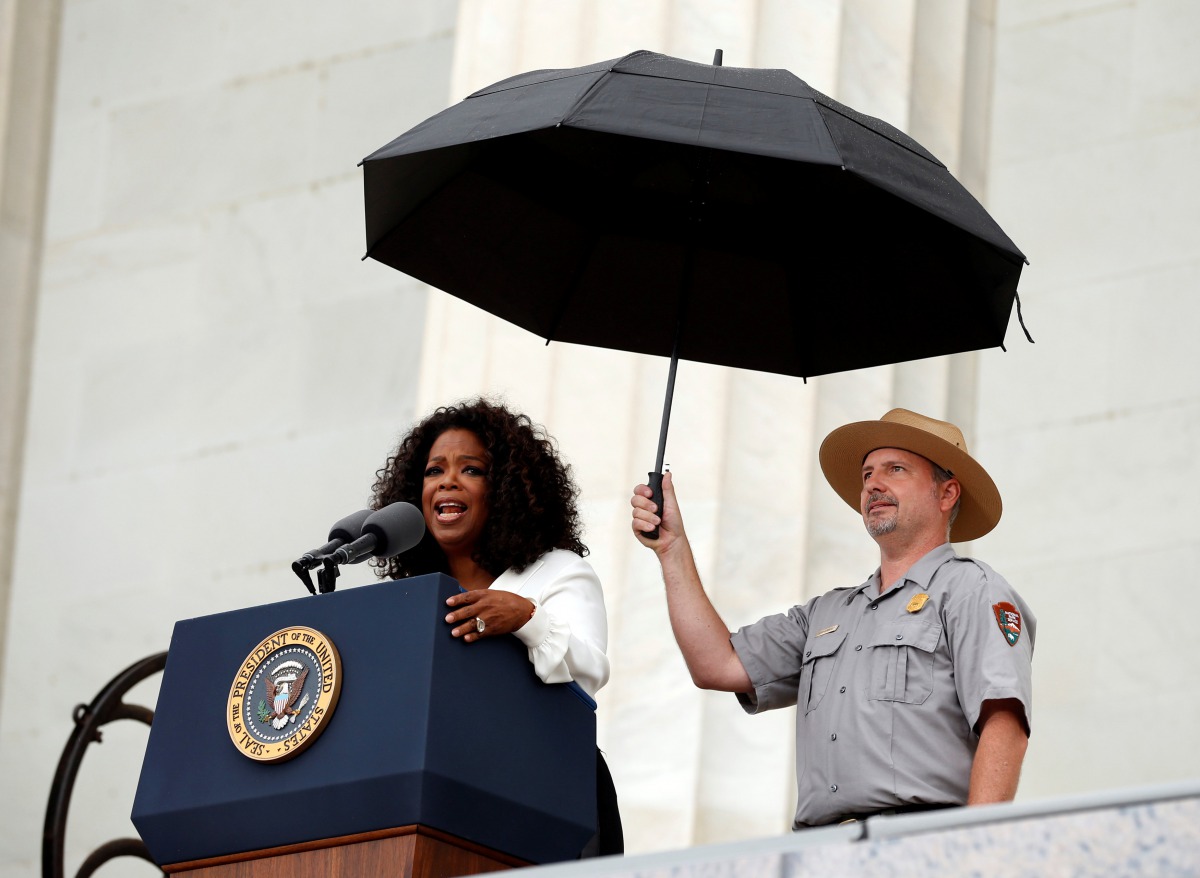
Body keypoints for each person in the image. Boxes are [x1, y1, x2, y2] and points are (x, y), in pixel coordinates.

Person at [630, 408, 1034, 829]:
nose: (873, 484)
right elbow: (716, 664)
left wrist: (975, 849)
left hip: (918, 843)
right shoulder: (826, 612)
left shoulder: (971, 589)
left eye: (895, 470)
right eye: (866, 475)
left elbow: (1004, 725)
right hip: (818, 850)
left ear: (947, 493)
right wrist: (672, 549)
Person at [372, 398, 621, 853]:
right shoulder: (414, 599)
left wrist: (527, 618)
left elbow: (588, 675)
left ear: (503, 488)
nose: (448, 480)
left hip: (553, 794)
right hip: (445, 800)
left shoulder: (557, 572)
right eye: (433, 471)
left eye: (471, 470)